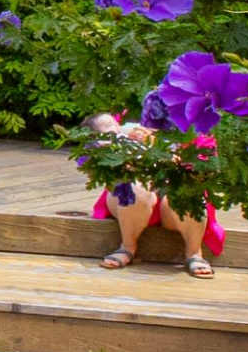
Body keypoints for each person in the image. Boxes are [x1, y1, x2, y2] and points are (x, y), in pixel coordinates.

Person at [81, 112, 222, 276]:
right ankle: (127, 246)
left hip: (172, 203)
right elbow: (98, 138)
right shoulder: (128, 117)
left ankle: (194, 252)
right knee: (133, 188)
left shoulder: (195, 118)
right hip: (136, 200)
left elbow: (207, 164)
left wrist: (172, 155)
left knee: (187, 191)